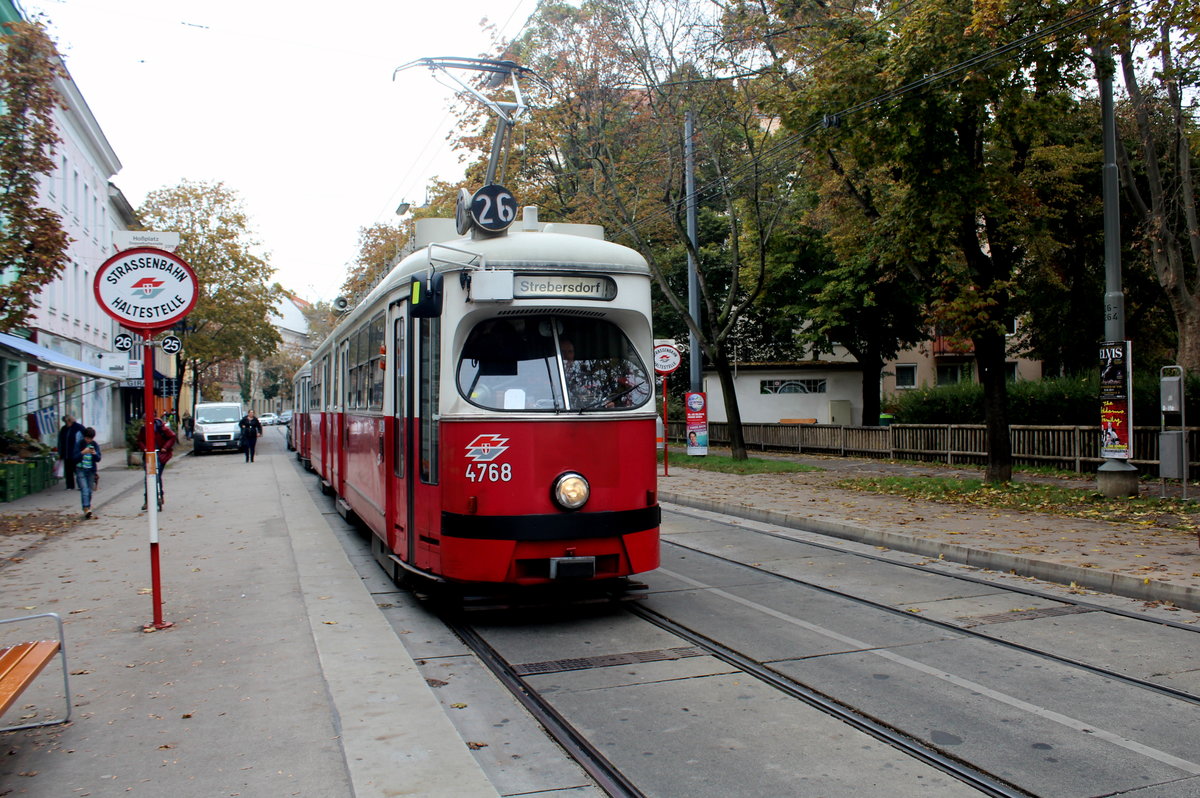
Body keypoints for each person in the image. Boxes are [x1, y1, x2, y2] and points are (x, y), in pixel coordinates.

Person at [136, 418, 178, 511]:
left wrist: (165, 447)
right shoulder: (143, 429)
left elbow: (172, 436)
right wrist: (145, 449)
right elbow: (139, 441)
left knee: (157, 475)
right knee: (149, 477)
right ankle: (147, 500)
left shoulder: (161, 427)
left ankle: (160, 495)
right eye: (144, 420)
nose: (144, 422)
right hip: (149, 455)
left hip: (160, 454)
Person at [75, 427, 100, 520]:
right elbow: (74, 457)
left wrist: (94, 454)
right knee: (84, 489)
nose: (88, 440)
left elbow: (98, 458)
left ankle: (87, 508)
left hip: (91, 470)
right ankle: (86, 507)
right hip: (80, 468)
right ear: (84, 437)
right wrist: (82, 452)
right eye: (87, 438)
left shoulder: (95, 445)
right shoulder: (79, 444)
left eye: (90, 439)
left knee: (89, 490)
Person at [56, 414, 85, 490]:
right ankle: (69, 486)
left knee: (77, 469)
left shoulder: (79, 428)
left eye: (67, 421)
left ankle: (81, 485)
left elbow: (84, 439)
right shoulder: (64, 429)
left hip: (76, 453)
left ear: (70, 421)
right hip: (66, 453)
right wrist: (60, 452)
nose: (66, 423)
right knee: (68, 470)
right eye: (65, 422)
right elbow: (60, 441)